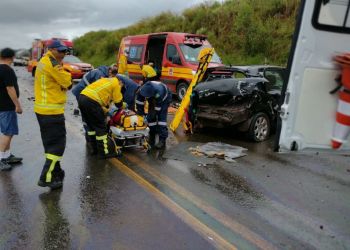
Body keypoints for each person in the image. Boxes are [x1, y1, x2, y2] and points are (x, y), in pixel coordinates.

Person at [34, 40, 72, 189]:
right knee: (57, 145)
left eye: (65, 51)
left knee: (51, 144)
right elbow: (67, 81)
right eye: (61, 51)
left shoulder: (45, 60)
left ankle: (56, 171)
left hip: (44, 110)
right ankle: (46, 177)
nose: (63, 54)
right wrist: (66, 76)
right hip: (51, 111)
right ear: (51, 50)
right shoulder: (52, 63)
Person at [78, 77, 124, 158]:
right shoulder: (116, 83)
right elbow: (118, 102)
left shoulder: (106, 80)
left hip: (82, 98)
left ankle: (94, 150)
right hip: (91, 101)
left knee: (91, 126)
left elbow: (99, 103)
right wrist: (121, 106)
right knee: (100, 127)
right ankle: (104, 153)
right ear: (120, 82)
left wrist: (106, 111)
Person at [0, 48, 23, 171]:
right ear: (12, 57)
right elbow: (10, 88)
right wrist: (17, 105)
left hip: (1, 105)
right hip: (7, 106)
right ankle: (1, 158)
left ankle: (7, 155)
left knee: (7, 131)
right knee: (8, 132)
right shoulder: (7, 70)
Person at [136, 79, 172, 149]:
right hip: (153, 97)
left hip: (164, 99)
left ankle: (162, 139)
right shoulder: (141, 90)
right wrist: (142, 115)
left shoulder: (160, 92)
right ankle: (152, 134)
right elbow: (139, 103)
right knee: (151, 119)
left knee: (161, 120)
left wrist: (150, 116)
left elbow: (157, 109)